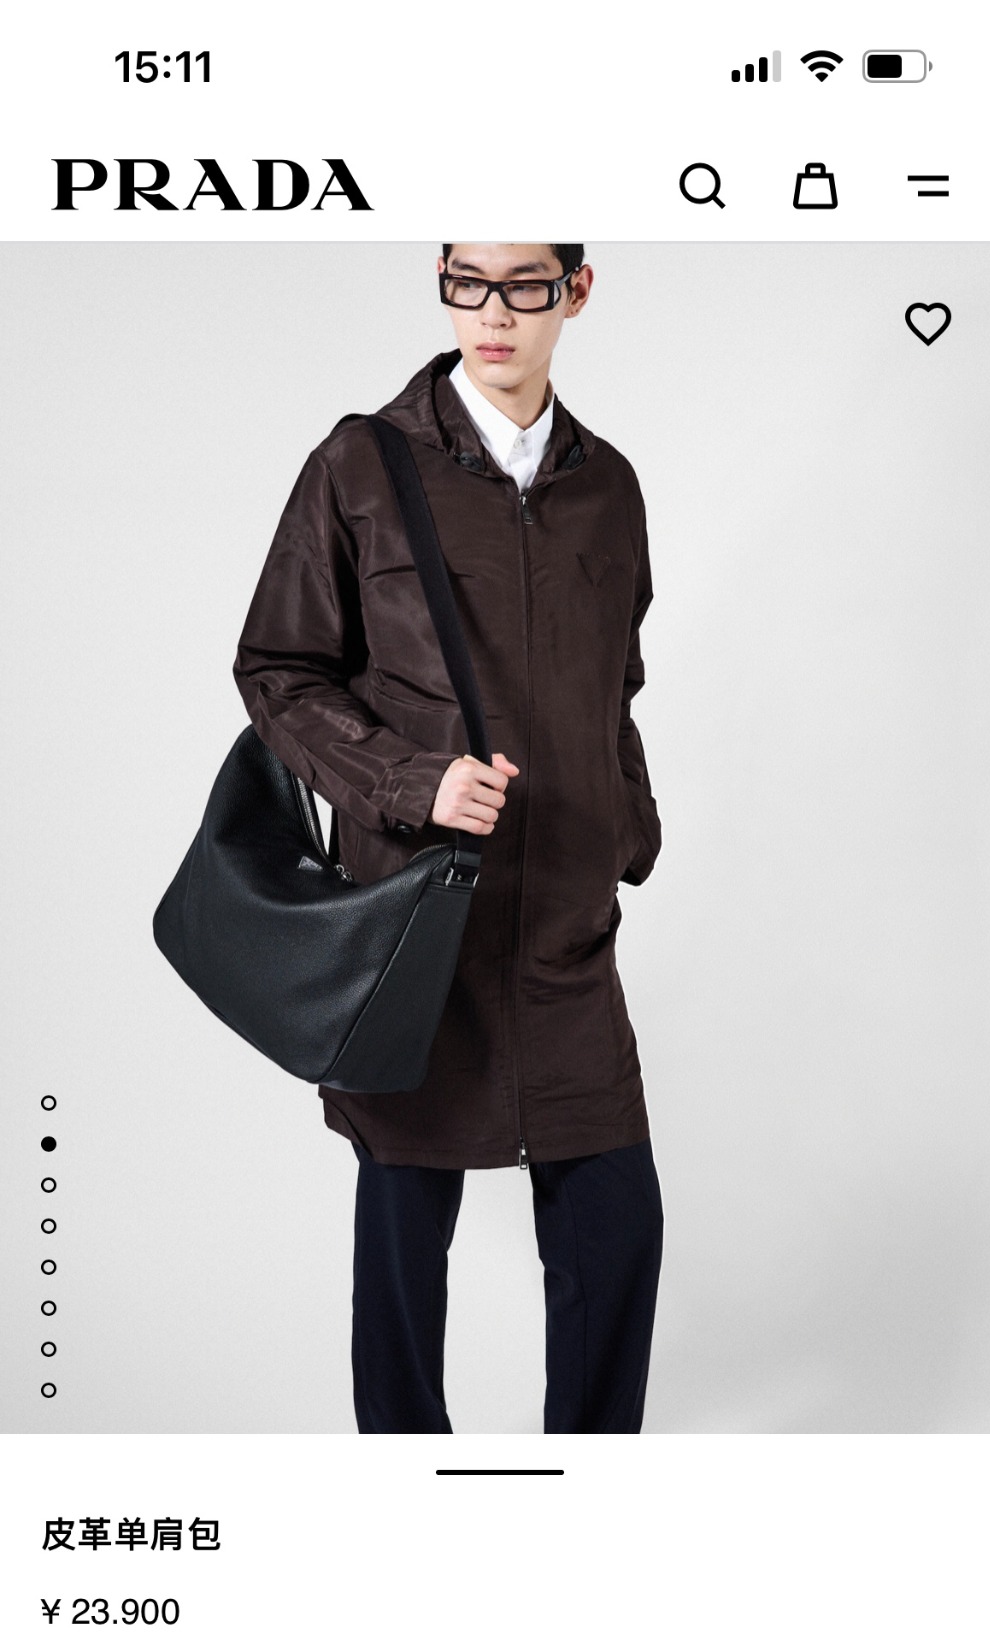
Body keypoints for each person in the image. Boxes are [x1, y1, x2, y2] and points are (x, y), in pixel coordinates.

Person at [234, 243, 664, 1434]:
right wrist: (411, 781)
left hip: (567, 931)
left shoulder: (609, 486)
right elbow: (277, 668)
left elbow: (616, 683)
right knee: (401, 1246)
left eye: (524, 283)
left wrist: (627, 825)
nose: (492, 311)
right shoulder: (359, 466)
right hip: (416, 928)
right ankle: (407, 1495)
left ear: (575, 291)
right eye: (465, 281)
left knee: (616, 1227)